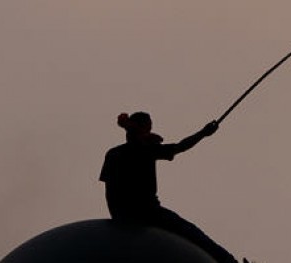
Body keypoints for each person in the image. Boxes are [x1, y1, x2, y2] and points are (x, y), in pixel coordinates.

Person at [100, 112, 238, 263]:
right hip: (148, 211)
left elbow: (110, 191)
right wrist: (203, 133)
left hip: (130, 213)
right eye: (147, 127)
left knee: (192, 234)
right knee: (193, 234)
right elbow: (181, 146)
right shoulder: (144, 150)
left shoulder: (123, 152)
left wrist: (118, 218)